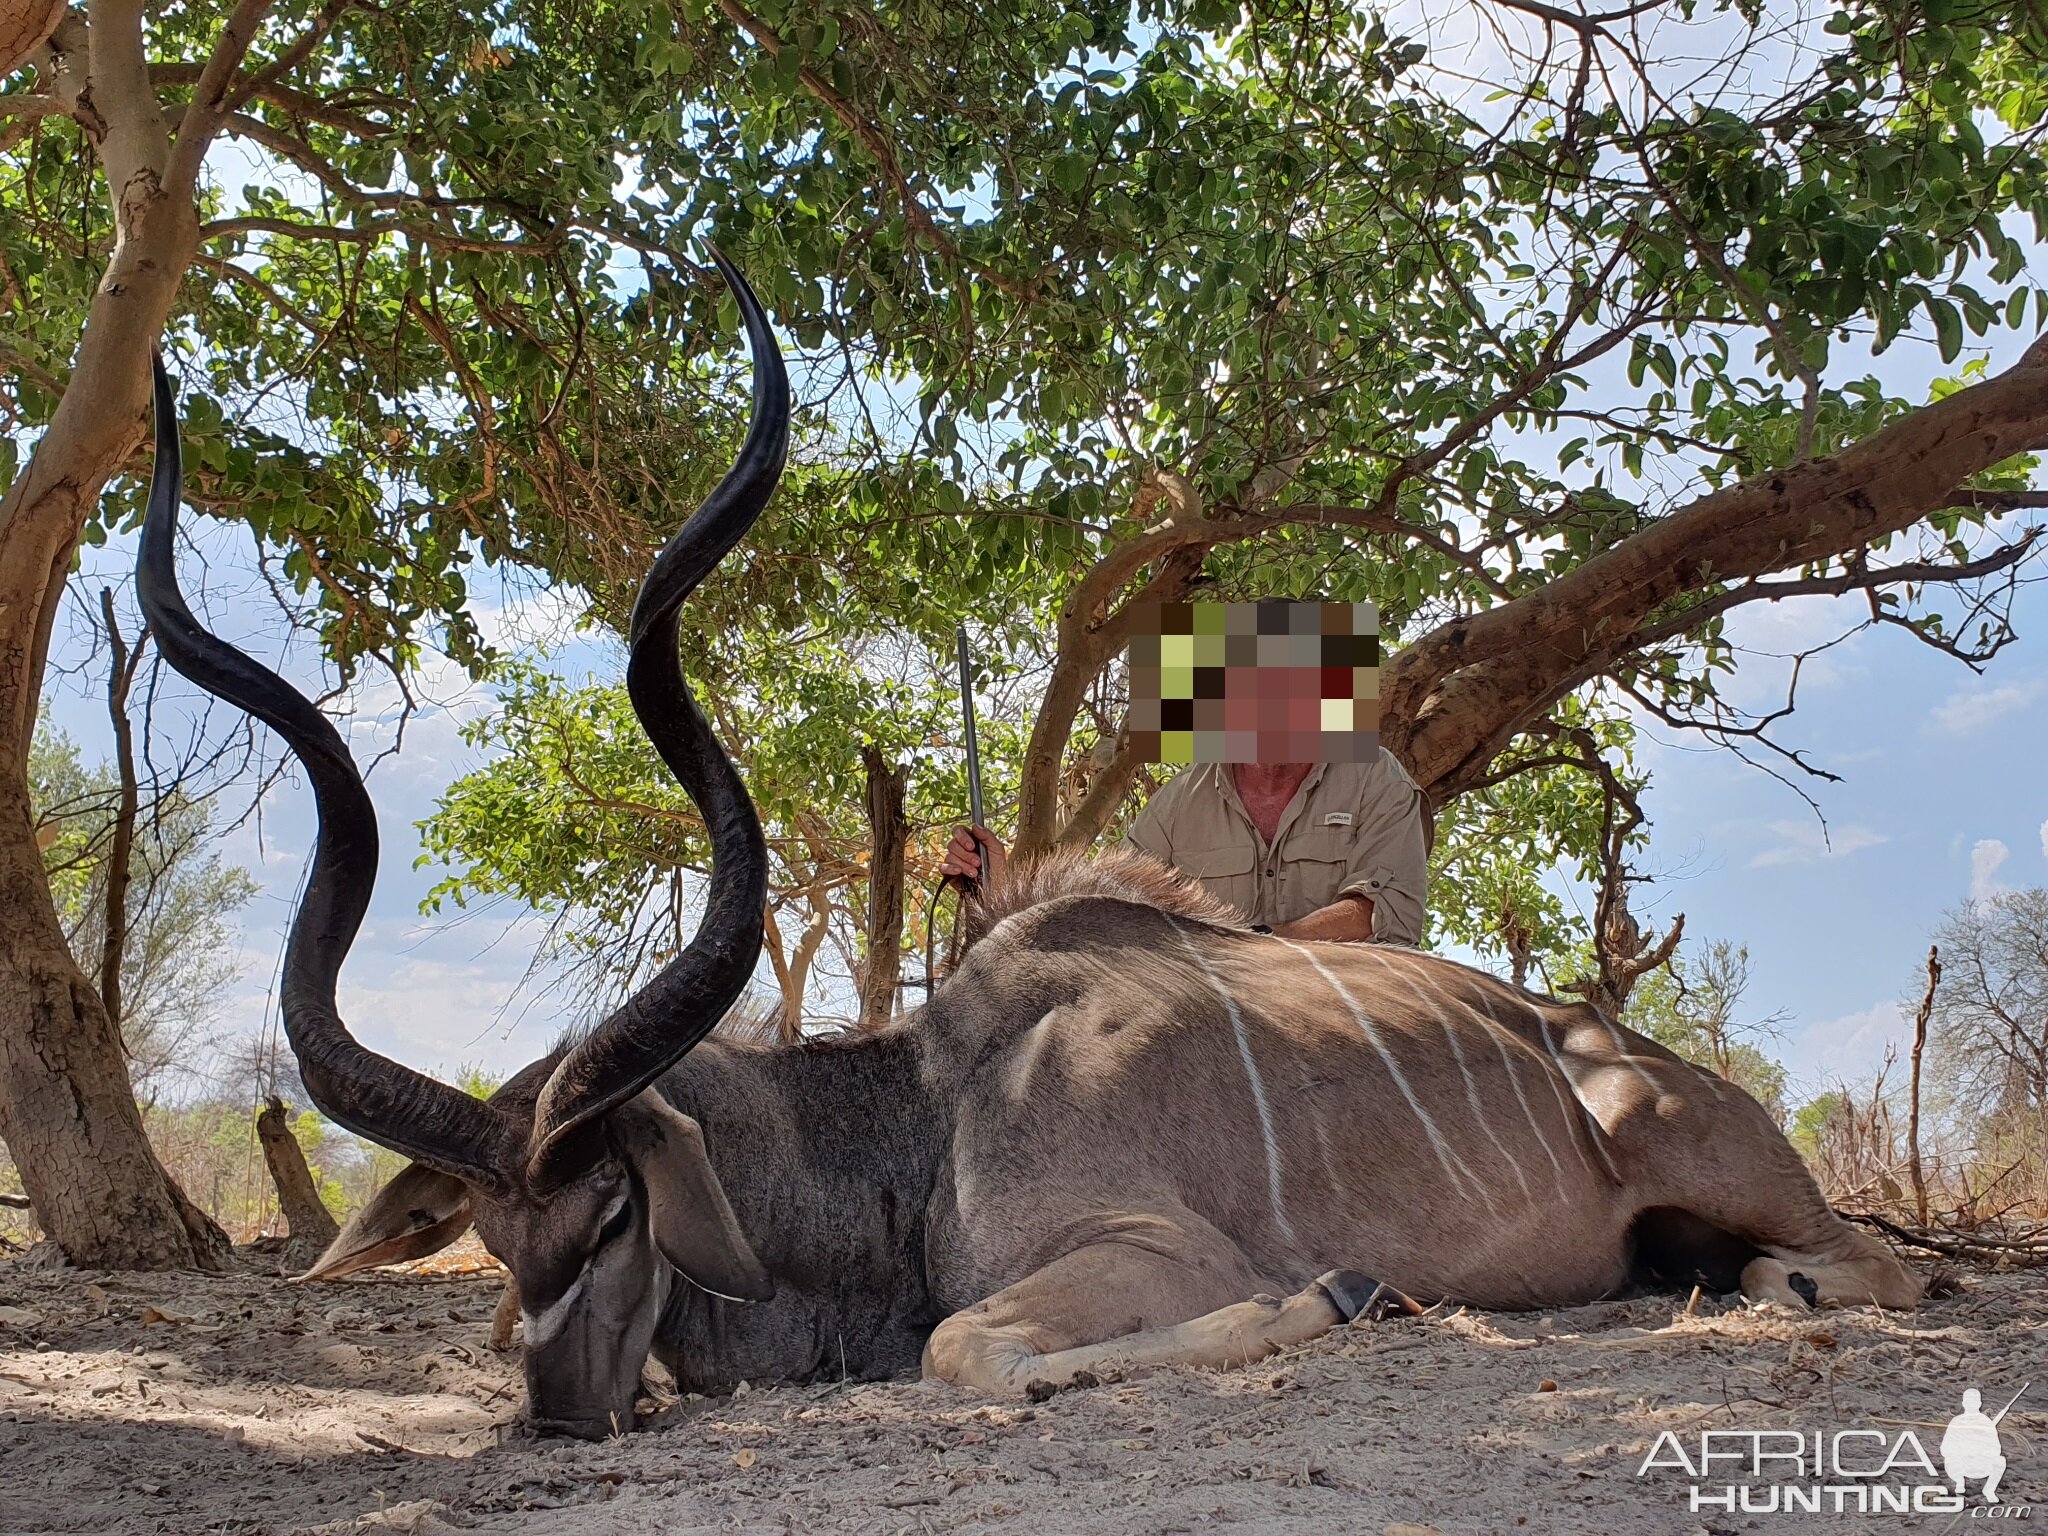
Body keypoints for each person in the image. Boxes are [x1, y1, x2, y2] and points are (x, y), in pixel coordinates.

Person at [940, 748, 1429, 944]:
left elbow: (1383, 914)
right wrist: (997, 887)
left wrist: (1253, 949)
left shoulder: (1375, 776)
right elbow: (1109, 908)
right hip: (1221, 1030)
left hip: (1349, 1016)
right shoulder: (1181, 799)